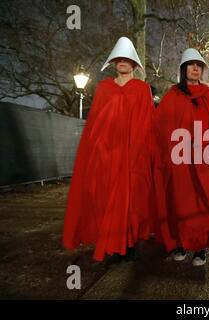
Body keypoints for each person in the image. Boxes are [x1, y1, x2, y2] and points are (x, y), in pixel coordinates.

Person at [63, 37, 156, 262]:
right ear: (114, 62)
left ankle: (129, 242)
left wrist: (140, 153)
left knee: (132, 199)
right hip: (107, 154)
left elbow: (147, 123)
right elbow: (95, 122)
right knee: (106, 198)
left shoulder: (142, 89)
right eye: (119, 59)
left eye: (127, 59)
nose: (123, 62)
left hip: (133, 155)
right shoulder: (104, 88)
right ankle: (111, 243)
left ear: (134, 63)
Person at [152, 48, 209, 266]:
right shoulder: (171, 97)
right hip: (180, 161)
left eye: (198, 65)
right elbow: (160, 128)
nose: (194, 68)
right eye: (190, 64)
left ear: (202, 69)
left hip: (206, 162)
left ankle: (200, 249)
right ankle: (182, 244)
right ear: (183, 69)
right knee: (181, 203)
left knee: (203, 204)